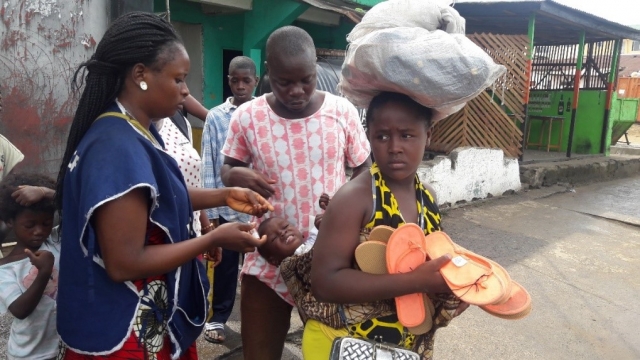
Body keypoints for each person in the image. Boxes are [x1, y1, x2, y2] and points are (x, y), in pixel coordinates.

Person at [53, 12, 272, 359]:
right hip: (125, 329)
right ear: (141, 75)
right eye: (179, 79)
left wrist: (223, 195)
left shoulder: (138, 129)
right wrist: (212, 238)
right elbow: (124, 262)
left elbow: (151, 201)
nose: (186, 91)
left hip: (149, 316)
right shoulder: (116, 145)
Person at [220, 26, 372, 359]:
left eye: (306, 79)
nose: (297, 91)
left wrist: (349, 211)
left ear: (315, 68)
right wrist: (238, 173)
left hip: (329, 261)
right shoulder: (248, 117)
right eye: (284, 82)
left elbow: (365, 170)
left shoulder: (341, 112)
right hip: (267, 258)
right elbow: (227, 168)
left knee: (332, 352)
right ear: (268, 74)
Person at [306, 92, 470, 359]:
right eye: (382, 136)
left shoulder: (427, 197)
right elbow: (325, 282)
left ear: (428, 134)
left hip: (402, 348)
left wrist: (459, 285)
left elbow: (428, 260)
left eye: (406, 135)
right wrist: (411, 282)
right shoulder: (355, 198)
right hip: (340, 343)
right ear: (368, 136)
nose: (394, 147)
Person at [200, 55, 259, 344]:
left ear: (255, 81)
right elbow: (210, 163)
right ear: (228, 81)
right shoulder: (215, 117)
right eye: (234, 80)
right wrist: (210, 213)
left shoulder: (265, 113)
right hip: (225, 208)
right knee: (223, 269)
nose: (240, 85)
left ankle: (257, 321)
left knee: (257, 271)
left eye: (246, 80)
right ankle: (218, 319)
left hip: (257, 210)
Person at [0, 173, 59, 360]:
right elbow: (20, 310)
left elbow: (77, 205)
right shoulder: (5, 268)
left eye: (46, 223)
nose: (39, 231)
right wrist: (44, 272)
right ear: (10, 221)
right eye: (30, 225)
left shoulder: (55, 241)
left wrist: (44, 192)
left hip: (64, 348)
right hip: (29, 355)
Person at [256, 193, 329, 267]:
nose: (282, 233)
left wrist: (329, 208)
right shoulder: (289, 269)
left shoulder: (313, 237)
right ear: (273, 260)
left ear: (301, 233)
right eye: (274, 238)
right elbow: (308, 260)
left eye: (285, 226)